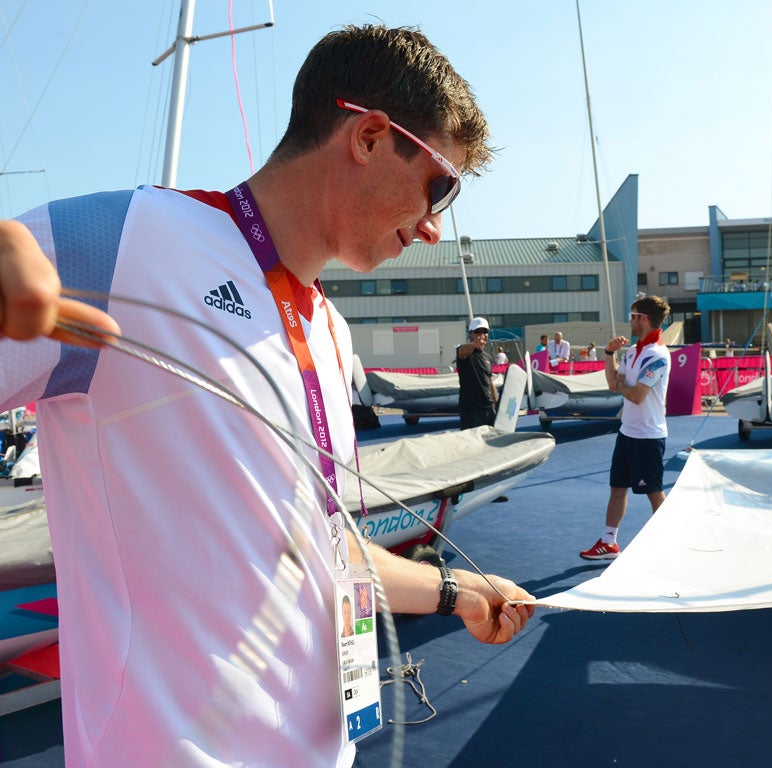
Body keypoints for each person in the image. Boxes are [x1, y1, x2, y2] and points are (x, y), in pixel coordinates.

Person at [0, 24, 534, 768]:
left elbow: (324, 550)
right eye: (440, 184)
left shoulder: (333, 333)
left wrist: (458, 593)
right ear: (372, 137)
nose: (436, 227)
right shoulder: (116, 243)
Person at [580, 295, 672, 561]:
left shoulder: (658, 356)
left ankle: (671, 541)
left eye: (633, 316)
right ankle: (609, 542)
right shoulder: (632, 351)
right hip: (628, 432)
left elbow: (637, 395)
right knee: (617, 487)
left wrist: (621, 384)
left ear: (643, 319)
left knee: (654, 493)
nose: (629, 321)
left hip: (648, 436)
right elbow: (614, 383)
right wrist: (610, 354)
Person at [456, 316, 498, 429]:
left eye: (485, 331)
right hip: (470, 409)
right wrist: (475, 344)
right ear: (471, 333)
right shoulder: (464, 350)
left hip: (488, 408)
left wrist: (497, 403)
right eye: (477, 331)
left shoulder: (487, 357)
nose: (482, 334)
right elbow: (461, 352)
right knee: (470, 443)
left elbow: (490, 382)